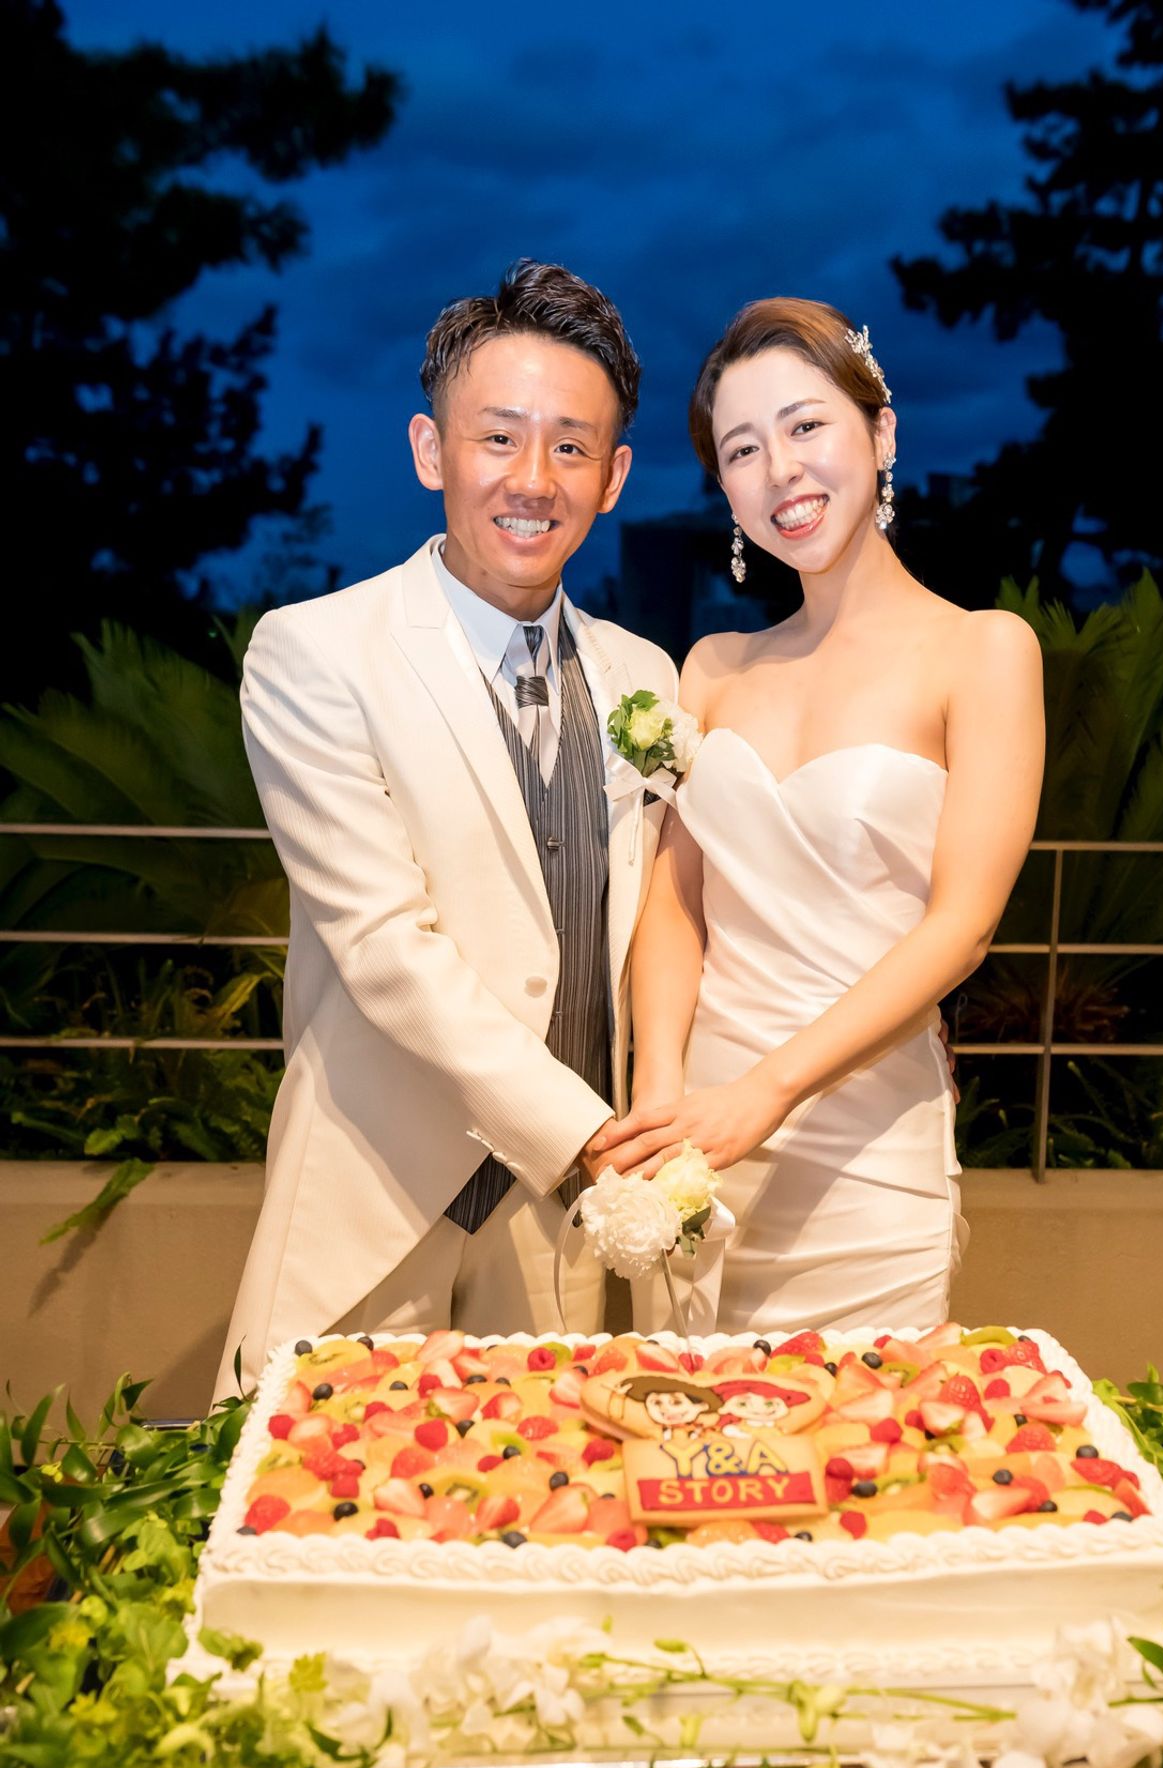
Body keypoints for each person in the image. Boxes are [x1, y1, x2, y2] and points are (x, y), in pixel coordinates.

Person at [213, 261, 677, 1399]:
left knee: (548, 1491)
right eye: (498, 438)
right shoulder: (315, 653)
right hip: (379, 1203)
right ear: (431, 450)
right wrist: (585, 1136)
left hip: (563, 1234)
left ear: (614, 476)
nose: (533, 479)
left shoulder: (647, 677)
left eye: (571, 447)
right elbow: (382, 947)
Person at [595, 298, 1044, 1336]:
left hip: (863, 1152)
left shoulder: (981, 652)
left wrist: (768, 1091)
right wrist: (661, 1094)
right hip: (701, 1139)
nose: (780, 471)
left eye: (806, 426)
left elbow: (963, 925)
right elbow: (675, 897)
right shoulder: (713, 668)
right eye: (743, 450)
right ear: (725, 491)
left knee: (867, 1431)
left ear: (880, 433)